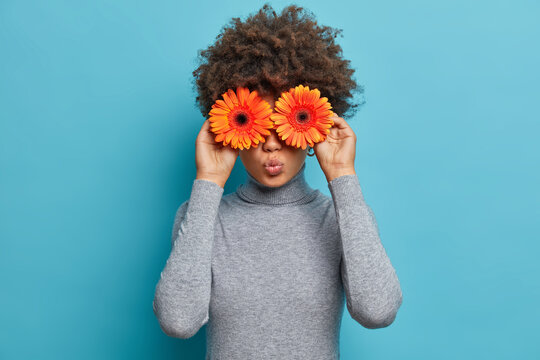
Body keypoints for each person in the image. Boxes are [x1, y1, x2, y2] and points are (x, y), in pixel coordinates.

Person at [153, 4, 403, 359]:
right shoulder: (200, 218)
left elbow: (378, 311)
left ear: (314, 125)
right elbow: (178, 321)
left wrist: (343, 177)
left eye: (286, 123)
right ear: (230, 127)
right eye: (256, 124)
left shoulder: (342, 218)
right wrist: (209, 180)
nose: (271, 143)